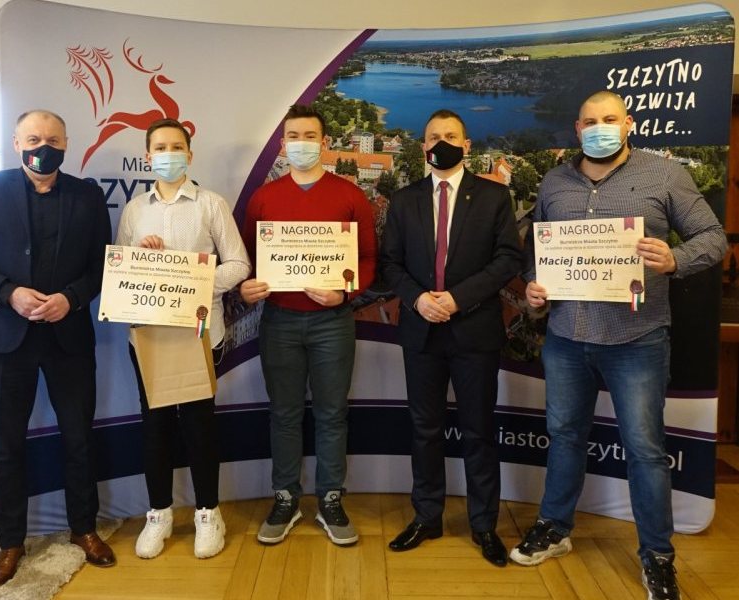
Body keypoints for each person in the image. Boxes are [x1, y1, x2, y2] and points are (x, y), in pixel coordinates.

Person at [510, 91, 727, 600]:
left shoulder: (664, 174)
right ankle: (555, 527)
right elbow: (537, 252)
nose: (600, 128)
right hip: (566, 337)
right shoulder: (555, 182)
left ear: (628, 123)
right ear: (577, 129)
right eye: (590, 122)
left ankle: (657, 555)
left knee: (645, 450)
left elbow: (713, 236)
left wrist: (675, 259)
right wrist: (536, 287)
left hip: (637, 339)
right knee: (564, 436)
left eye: (610, 119)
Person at [0, 110, 115, 585]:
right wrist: (8, 293)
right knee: (5, 446)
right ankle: (10, 542)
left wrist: (71, 299)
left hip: (68, 335)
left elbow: (102, 265)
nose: (44, 147)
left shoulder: (87, 195)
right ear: (16, 142)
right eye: (34, 138)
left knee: (79, 438)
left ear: (67, 143)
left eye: (53, 140)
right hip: (6, 337)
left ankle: (84, 529)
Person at [379, 109, 521, 566]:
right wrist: (418, 298)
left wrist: (458, 299)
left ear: (466, 145)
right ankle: (427, 517)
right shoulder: (405, 201)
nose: (442, 142)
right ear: (423, 147)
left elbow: (507, 259)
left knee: (479, 431)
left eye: (451, 135)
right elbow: (390, 264)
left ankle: (484, 525)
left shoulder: (494, 197)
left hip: (474, 330)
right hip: (421, 330)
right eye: (434, 136)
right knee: (425, 430)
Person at [239, 104, 377, 546]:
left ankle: (331, 499)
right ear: (283, 145)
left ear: (325, 143)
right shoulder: (264, 198)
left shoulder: (351, 196)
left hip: (332, 321)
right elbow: (248, 260)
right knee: (284, 413)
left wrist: (345, 292)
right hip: (279, 320)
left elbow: (368, 260)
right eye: (293, 137)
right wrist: (247, 286)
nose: (301, 144)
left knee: (332, 413)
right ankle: (285, 498)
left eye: (310, 136)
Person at [115, 118, 251, 559]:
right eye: (160, 147)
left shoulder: (211, 204)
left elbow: (239, 265)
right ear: (147, 156)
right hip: (149, 336)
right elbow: (121, 271)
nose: (168, 154)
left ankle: (208, 513)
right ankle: (159, 513)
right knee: (154, 427)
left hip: (199, 332)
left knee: (199, 427)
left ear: (190, 155)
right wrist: (143, 259)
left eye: (176, 147)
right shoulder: (135, 210)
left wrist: (192, 279)